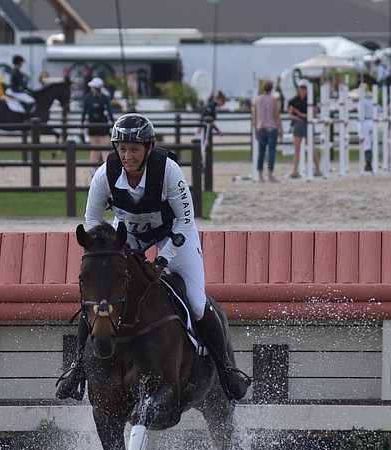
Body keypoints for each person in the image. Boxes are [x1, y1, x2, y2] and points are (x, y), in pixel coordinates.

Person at [55, 113, 251, 402]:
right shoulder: (104, 175)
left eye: (134, 148)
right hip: (129, 236)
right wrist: (108, 251)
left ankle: (226, 369)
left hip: (173, 234)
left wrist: (162, 261)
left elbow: (185, 220)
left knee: (197, 303)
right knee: (101, 298)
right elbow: (93, 221)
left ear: (148, 148)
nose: (127, 155)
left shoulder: (168, 171)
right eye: (121, 148)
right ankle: (77, 370)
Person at [287, 79, 322, 178]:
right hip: (298, 124)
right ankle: (295, 170)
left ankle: (318, 168)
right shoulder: (294, 100)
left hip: (308, 124)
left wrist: (301, 114)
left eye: (304, 88)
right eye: (301, 88)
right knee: (297, 148)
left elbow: (314, 114)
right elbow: (290, 114)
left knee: (311, 147)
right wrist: (298, 116)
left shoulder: (311, 100)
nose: (302, 90)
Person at [80, 77, 115, 171]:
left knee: (95, 149)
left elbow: (84, 112)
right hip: (102, 124)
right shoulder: (104, 98)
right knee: (104, 149)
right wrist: (112, 123)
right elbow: (109, 112)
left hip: (92, 124)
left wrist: (82, 123)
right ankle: (106, 169)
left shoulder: (88, 97)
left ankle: (93, 169)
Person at [252, 79, 282, 182]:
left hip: (261, 128)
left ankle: (260, 174)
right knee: (271, 152)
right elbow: (277, 116)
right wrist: (280, 129)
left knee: (261, 152)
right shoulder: (274, 100)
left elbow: (254, 115)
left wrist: (255, 127)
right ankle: (270, 174)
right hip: (272, 128)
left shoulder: (257, 100)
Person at [197, 90, 227, 156]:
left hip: (206, 127)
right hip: (203, 127)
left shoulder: (212, 106)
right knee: (203, 145)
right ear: (219, 100)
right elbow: (206, 117)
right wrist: (217, 130)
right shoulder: (211, 106)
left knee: (204, 144)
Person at [360, 85, 376, 172]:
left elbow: (360, 113)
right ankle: (369, 163)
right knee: (370, 143)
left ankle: (368, 164)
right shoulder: (372, 100)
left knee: (366, 144)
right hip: (372, 121)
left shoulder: (362, 101)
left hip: (365, 122)